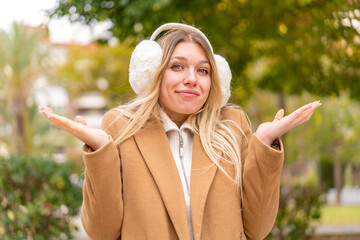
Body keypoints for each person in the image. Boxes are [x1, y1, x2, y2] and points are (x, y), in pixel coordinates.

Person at [40, 23, 321, 240]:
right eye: (177, 66)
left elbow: (257, 229)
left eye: (203, 70)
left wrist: (264, 144)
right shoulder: (120, 126)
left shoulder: (233, 125)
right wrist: (100, 153)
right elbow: (102, 232)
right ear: (154, 73)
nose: (191, 79)